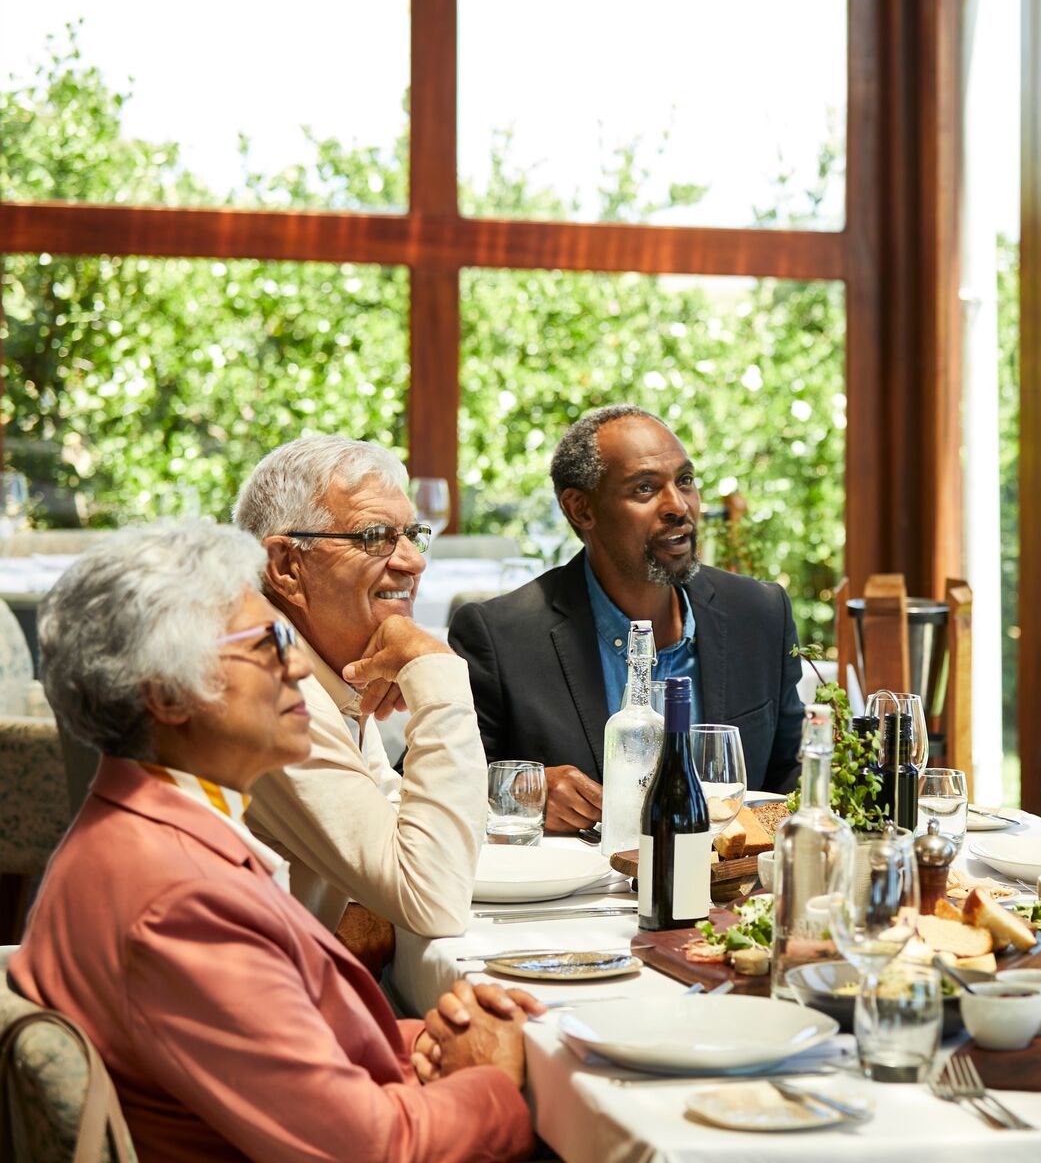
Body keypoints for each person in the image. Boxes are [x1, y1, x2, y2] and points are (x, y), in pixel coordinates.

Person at [11, 522, 537, 1161]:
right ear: (168, 696)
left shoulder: (153, 826)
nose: (297, 667)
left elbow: (271, 1047)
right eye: (267, 643)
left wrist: (431, 1039)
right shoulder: (177, 899)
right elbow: (371, 1149)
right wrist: (495, 1086)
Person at [450, 405, 804, 830]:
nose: (678, 506)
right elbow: (425, 785)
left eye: (685, 481)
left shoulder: (759, 613)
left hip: (729, 890)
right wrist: (527, 790)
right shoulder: (501, 636)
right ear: (581, 509)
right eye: (645, 489)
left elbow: (792, 771)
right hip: (577, 891)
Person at [232, 436, 485, 959]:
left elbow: (392, 818)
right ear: (285, 566)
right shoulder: (268, 683)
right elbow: (432, 899)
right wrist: (435, 668)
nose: (412, 562)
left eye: (413, 535)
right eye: (376, 536)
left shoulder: (317, 657)